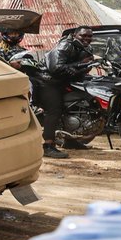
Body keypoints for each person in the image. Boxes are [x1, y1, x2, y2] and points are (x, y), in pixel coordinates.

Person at [38, 26, 98, 159]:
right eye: (83, 36)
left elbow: (83, 68)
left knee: (77, 104)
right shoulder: (65, 45)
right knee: (55, 109)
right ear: (75, 35)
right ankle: (48, 146)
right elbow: (56, 67)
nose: (87, 39)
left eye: (89, 36)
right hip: (48, 81)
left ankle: (71, 141)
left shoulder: (88, 49)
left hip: (65, 81)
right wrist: (80, 64)